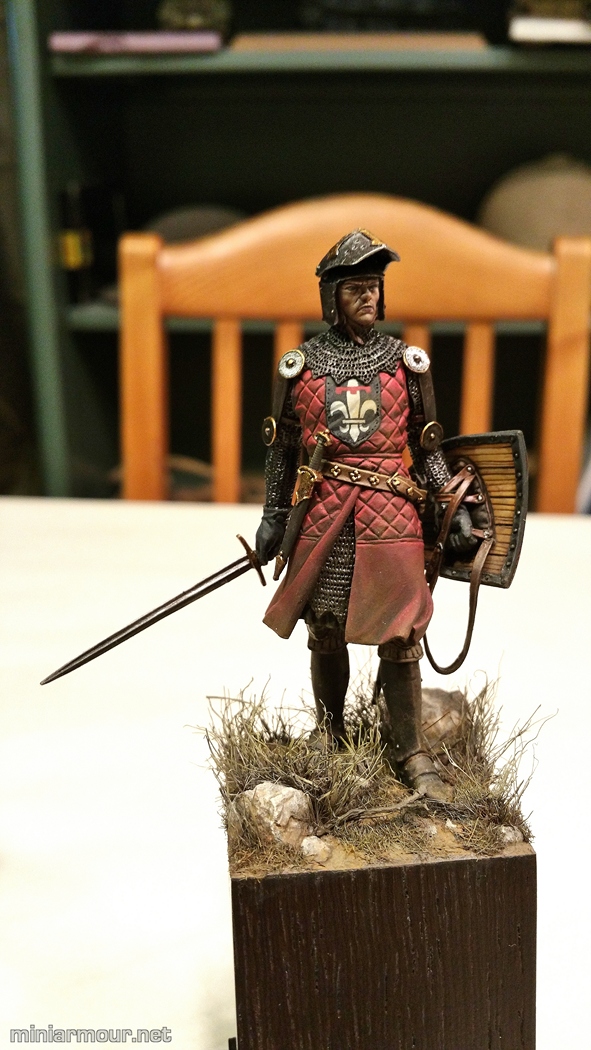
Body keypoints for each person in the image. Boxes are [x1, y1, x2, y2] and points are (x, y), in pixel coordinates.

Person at [255, 229, 475, 802]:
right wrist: (274, 515)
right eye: (356, 288)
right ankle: (331, 739)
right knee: (326, 628)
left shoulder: (407, 364)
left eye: (374, 286)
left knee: (402, 632)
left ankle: (411, 750)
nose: (369, 297)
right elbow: (283, 451)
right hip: (325, 511)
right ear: (332, 296)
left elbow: (428, 447)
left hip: (392, 510)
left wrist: (448, 502)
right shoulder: (301, 368)